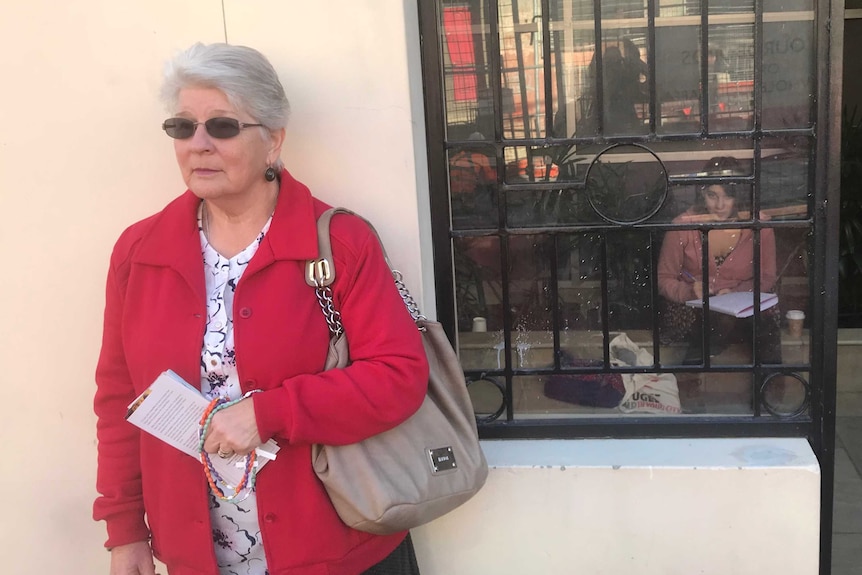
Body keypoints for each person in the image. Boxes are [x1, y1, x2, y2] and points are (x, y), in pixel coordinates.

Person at [93, 43, 429, 575]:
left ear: (273, 141)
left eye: (222, 126)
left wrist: (268, 413)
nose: (198, 145)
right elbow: (119, 401)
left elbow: (400, 376)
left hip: (338, 552)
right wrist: (124, 532)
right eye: (182, 127)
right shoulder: (140, 253)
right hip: (197, 558)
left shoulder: (338, 242)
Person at [657, 156, 781, 364]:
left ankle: (771, 387)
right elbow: (664, 278)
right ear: (701, 194)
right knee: (714, 320)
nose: (720, 205)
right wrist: (689, 291)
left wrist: (738, 293)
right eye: (712, 196)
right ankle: (693, 378)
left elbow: (767, 276)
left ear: (738, 195)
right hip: (695, 309)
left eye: (728, 196)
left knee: (764, 328)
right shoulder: (682, 226)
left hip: (744, 307)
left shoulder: (759, 224)